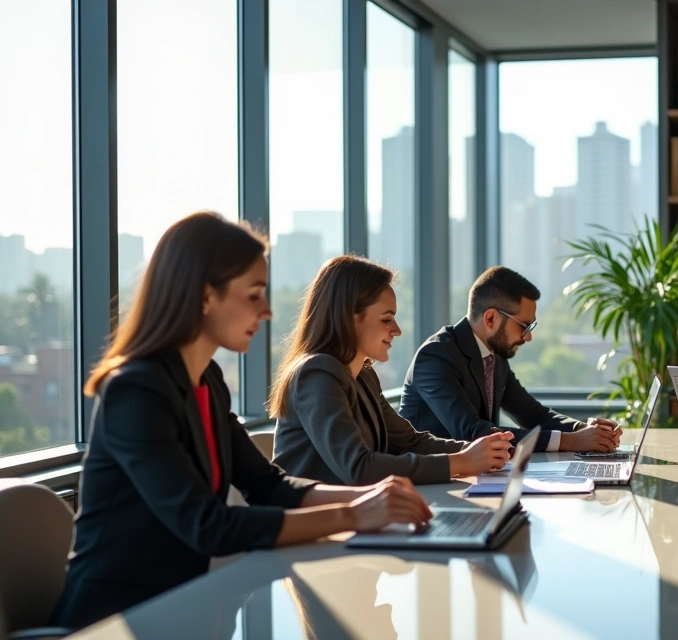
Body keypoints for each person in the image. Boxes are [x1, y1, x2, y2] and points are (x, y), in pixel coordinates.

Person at [53, 212, 432, 630]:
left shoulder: (207, 379)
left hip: (188, 610)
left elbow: (268, 485)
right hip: (115, 621)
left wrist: (372, 498)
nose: (268, 311)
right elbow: (207, 526)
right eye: (254, 295)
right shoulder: (135, 390)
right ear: (204, 296)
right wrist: (354, 515)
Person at [269, 256, 512, 486]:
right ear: (348, 317)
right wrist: (461, 461)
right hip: (316, 525)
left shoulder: (363, 375)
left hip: (358, 514)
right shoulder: (317, 373)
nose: (397, 330)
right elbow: (358, 468)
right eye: (387, 319)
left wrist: (478, 450)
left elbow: (408, 441)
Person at [399, 266, 621, 452]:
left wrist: (584, 429)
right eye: (524, 326)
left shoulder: (494, 354)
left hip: (471, 477)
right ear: (491, 318)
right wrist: (571, 441)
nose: (529, 336)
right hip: (427, 487)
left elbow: (532, 414)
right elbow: (472, 432)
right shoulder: (436, 356)